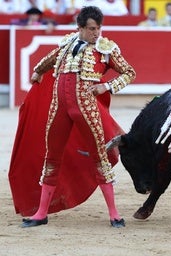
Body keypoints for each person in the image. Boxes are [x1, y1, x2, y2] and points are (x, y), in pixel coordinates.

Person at [9, 5, 136, 228]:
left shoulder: (106, 49)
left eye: (98, 28)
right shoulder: (67, 43)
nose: (96, 33)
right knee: (52, 158)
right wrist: (38, 72)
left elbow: (129, 72)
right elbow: (48, 59)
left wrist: (106, 86)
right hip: (59, 108)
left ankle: (114, 213)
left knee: (99, 158)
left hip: (86, 108)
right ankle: (41, 213)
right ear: (80, 28)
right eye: (91, 29)